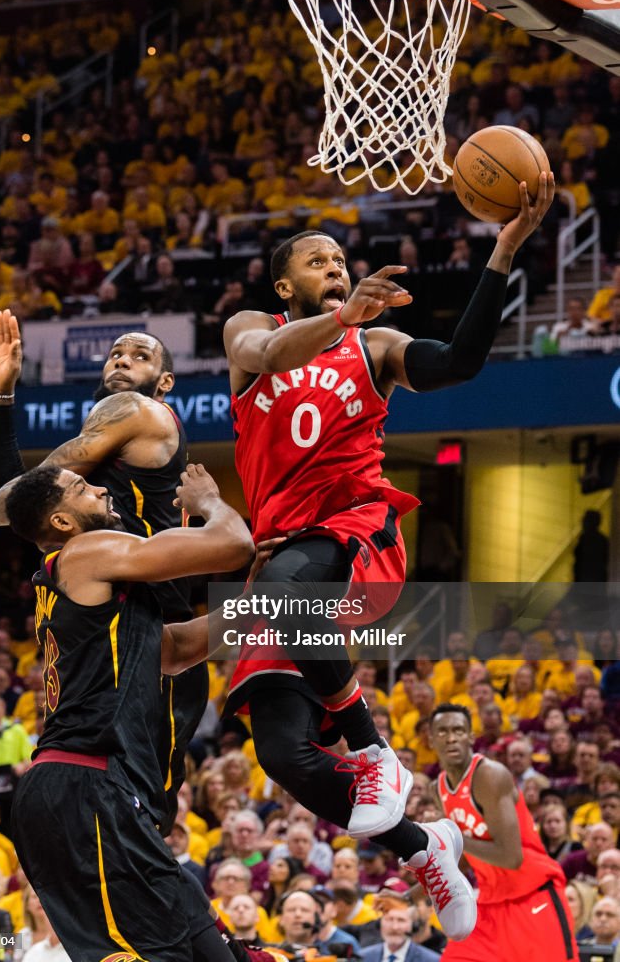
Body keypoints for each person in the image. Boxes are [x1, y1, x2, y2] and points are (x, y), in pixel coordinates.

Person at [221, 180, 553, 937]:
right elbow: (263, 353)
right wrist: (340, 316)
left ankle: (373, 752)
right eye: (317, 261)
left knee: (288, 590)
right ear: (285, 286)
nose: (335, 268)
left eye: (340, 260)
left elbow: (459, 361)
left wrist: (503, 251)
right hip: (284, 559)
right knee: (282, 754)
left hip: (355, 534)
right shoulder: (254, 327)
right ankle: (425, 847)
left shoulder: (373, 347)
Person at [0, 310, 208, 835]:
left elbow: (30, 492)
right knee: (108, 808)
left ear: (164, 382)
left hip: (152, 626)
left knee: (139, 811)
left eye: (140, 356)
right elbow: (29, 503)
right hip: (109, 625)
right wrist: (1, 397)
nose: (122, 361)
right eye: (116, 353)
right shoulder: (99, 455)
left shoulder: (137, 410)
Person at [0, 462, 253, 962]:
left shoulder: (86, 589)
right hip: (85, 787)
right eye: (81, 488)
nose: (99, 488)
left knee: (214, 953)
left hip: (90, 792)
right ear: (62, 522)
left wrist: (260, 598)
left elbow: (176, 650)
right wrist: (207, 500)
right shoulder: (84, 552)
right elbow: (233, 544)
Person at [429, 702, 578, 962]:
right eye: (442, 731)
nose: (451, 738)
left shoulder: (489, 775)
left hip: (532, 894)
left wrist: (452, 837)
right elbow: (459, 860)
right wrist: (411, 895)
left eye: (458, 730)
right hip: (489, 903)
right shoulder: (438, 789)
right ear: (431, 740)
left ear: (471, 737)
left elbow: (511, 857)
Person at [360, 898, 440, 962]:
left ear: (412, 925)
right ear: (379, 923)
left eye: (401, 920)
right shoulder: (362, 957)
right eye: (389, 919)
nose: (395, 927)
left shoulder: (431, 960)